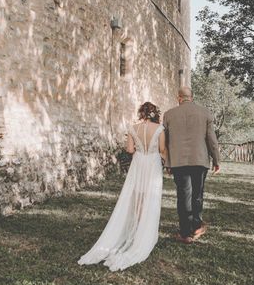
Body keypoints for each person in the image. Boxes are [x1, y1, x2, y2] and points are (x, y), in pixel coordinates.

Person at [78, 102, 166, 271]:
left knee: (138, 195)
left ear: (141, 113)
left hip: (139, 163)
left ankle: (137, 226)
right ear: (155, 114)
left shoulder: (133, 128)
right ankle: (145, 233)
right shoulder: (160, 129)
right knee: (151, 195)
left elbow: (130, 150)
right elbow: (162, 150)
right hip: (153, 163)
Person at [163, 86, 220, 244]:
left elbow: (166, 142)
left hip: (178, 162)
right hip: (200, 160)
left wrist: (167, 162)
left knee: (183, 195)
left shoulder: (168, 115)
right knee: (197, 194)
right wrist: (216, 160)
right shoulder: (205, 113)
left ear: (178, 98)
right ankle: (196, 226)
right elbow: (211, 140)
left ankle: (185, 233)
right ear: (192, 97)